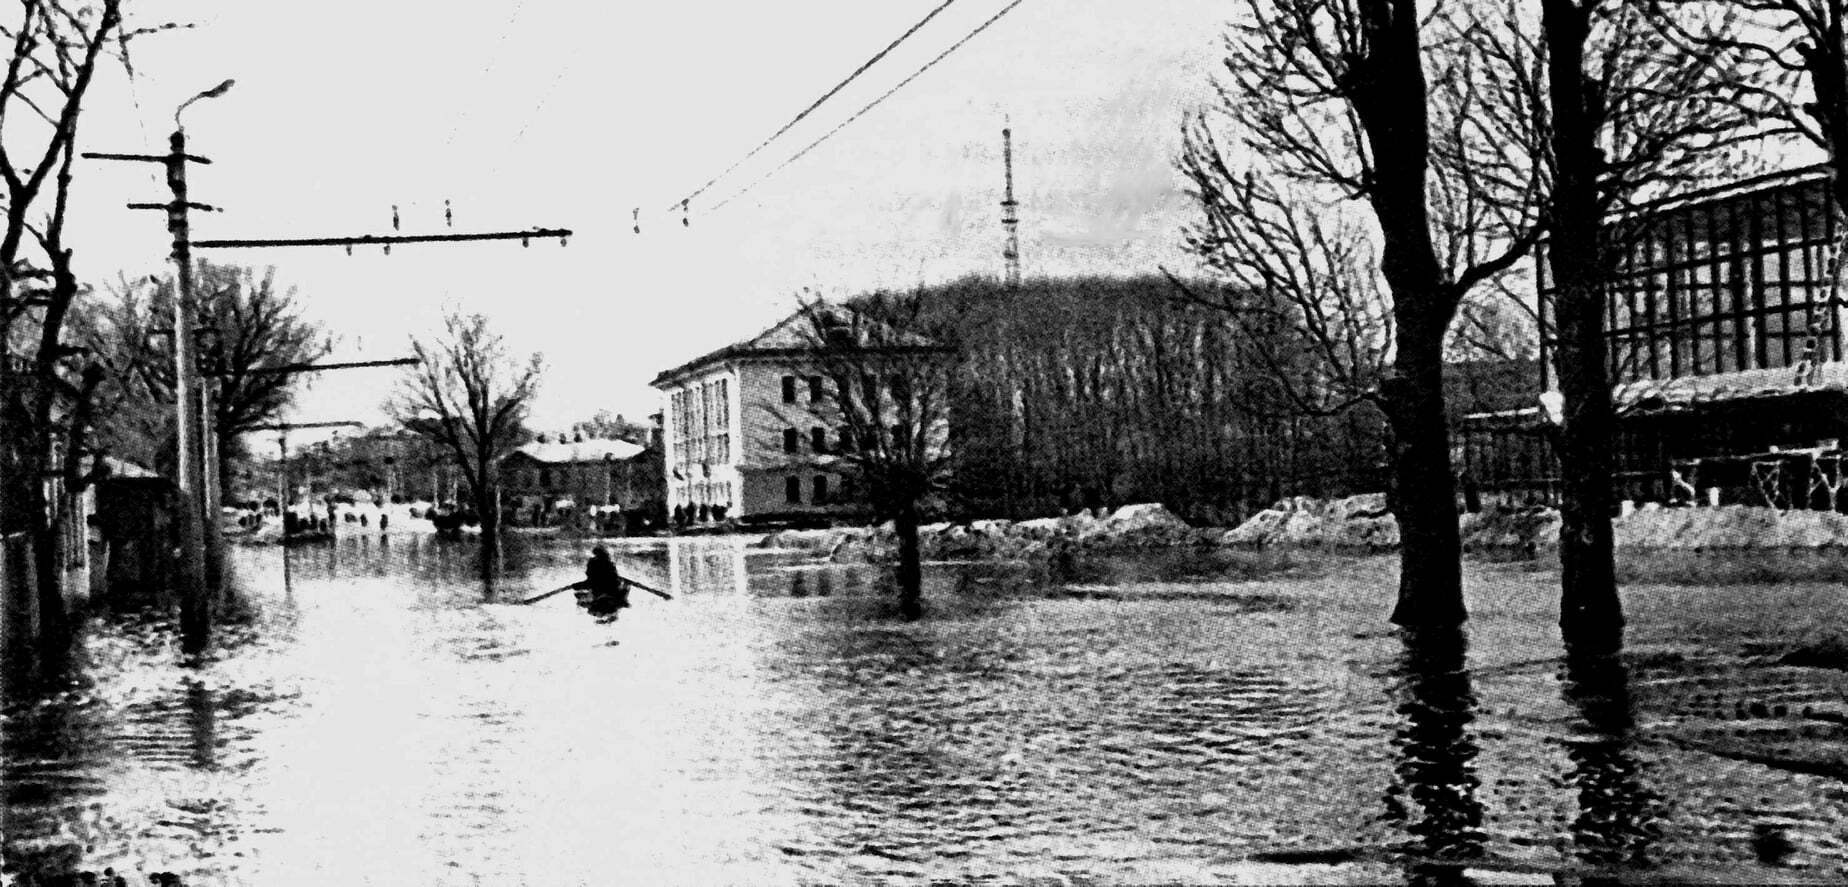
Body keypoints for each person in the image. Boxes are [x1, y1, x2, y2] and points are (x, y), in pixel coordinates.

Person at [570, 545, 631, 622]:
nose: (586, 572)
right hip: (608, 592)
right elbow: (624, 591)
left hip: (606, 592)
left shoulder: (598, 571)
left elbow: (591, 583)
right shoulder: (606, 571)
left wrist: (577, 586)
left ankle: (603, 614)